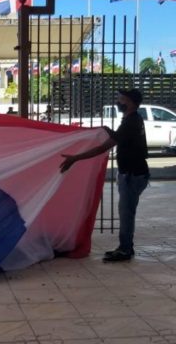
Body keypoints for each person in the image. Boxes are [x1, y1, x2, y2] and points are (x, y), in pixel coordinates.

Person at [60, 89, 150, 262]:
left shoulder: (131, 122)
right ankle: (125, 247)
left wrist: (75, 158)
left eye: (121, 99)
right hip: (132, 173)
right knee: (126, 212)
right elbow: (112, 140)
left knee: (126, 213)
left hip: (133, 175)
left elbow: (104, 146)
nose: (119, 102)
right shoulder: (132, 119)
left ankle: (125, 250)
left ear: (130, 102)